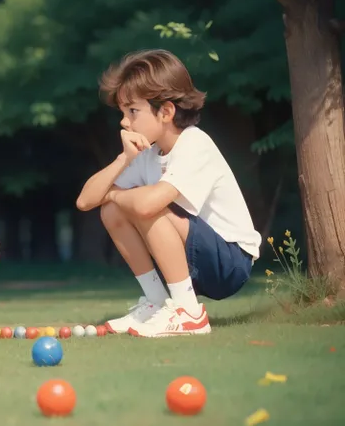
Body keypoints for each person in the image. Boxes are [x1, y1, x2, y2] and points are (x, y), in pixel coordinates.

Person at [76, 49, 261, 337]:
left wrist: (113, 194)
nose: (124, 122)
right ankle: (157, 303)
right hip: (190, 257)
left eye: (133, 111)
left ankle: (189, 313)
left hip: (229, 262)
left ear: (166, 111)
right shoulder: (146, 154)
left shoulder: (194, 144)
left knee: (144, 206)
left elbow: (148, 204)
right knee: (111, 209)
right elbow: (85, 201)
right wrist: (123, 160)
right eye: (123, 113)